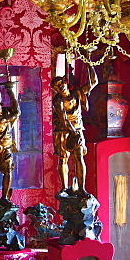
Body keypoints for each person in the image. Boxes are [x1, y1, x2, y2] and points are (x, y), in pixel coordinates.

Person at [51, 65, 98, 193]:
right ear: (55, 89)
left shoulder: (77, 93)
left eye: (61, 83)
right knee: (63, 159)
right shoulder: (58, 101)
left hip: (77, 129)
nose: (60, 86)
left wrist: (88, 63)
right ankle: (64, 188)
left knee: (79, 157)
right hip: (62, 131)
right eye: (57, 86)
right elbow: (64, 119)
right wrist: (74, 132)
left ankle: (82, 189)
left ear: (65, 82)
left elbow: (93, 82)